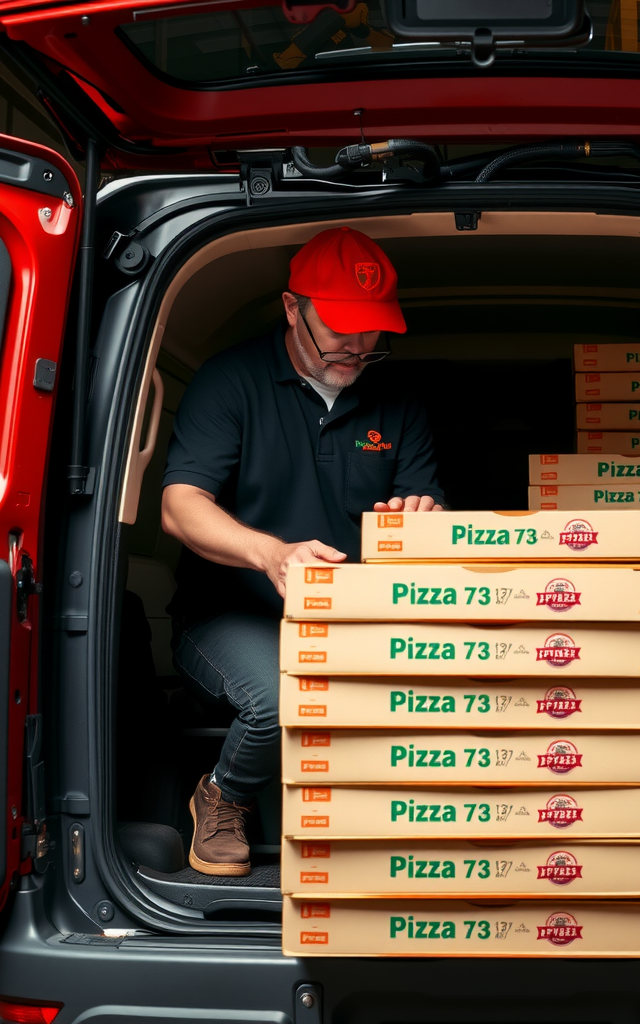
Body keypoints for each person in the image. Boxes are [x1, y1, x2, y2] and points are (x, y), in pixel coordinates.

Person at [161, 226, 445, 876]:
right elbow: (179, 506)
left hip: (357, 619)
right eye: (341, 328)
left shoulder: (398, 401)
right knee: (284, 698)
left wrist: (421, 519)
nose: (358, 347)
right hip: (232, 616)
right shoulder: (230, 380)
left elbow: (425, 504)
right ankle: (223, 795)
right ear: (292, 308)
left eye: (372, 331)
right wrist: (271, 555)